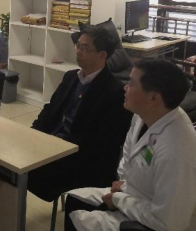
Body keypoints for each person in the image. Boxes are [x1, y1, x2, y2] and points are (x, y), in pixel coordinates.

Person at [65, 59, 196, 231]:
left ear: (154, 98)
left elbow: (169, 222)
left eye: (132, 84)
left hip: (151, 221)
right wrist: (122, 183)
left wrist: (119, 200)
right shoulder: (143, 114)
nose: (125, 87)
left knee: (79, 219)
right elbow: (127, 156)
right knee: (74, 199)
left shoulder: (176, 150)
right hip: (131, 194)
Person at [28, 25, 132, 202]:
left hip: (80, 160)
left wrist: (57, 146)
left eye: (85, 48)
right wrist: (33, 134)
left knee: (23, 172)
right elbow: (50, 110)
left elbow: (104, 142)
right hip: (51, 147)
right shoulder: (71, 77)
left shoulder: (114, 92)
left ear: (102, 55)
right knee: (9, 161)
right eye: (78, 45)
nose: (78, 51)